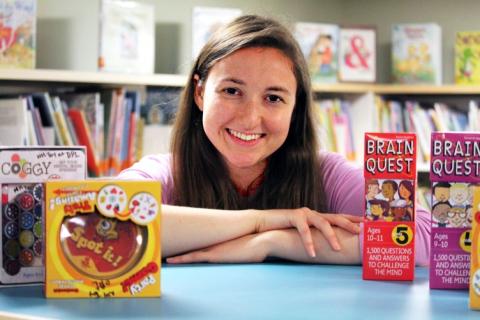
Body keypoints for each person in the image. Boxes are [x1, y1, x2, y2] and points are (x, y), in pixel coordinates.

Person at [119, 15, 430, 266]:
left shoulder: (328, 175)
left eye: (273, 97)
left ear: (295, 107)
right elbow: (107, 219)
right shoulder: (166, 173)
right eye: (231, 91)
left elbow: (423, 237)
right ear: (200, 93)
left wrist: (271, 242)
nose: (250, 118)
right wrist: (261, 221)